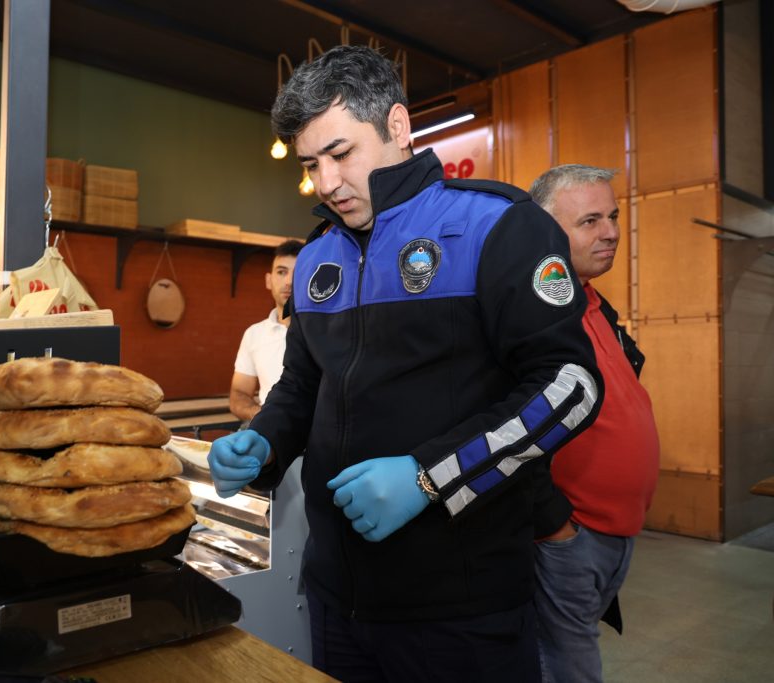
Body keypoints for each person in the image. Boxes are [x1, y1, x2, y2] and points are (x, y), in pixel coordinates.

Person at [207, 45, 603, 682]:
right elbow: (304, 384)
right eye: (310, 164)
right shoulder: (317, 257)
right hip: (337, 595)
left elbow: (570, 386)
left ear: (396, 126)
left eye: (340, 154)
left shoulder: (498, 226)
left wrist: (428, 477)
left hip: (460, 604)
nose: (326, 183)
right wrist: (265, 440)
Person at [529, 164, 660, 683]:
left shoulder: (594, 304)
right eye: (590, 221)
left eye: (613, 216)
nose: (610, 232)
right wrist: (555, 526)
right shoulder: (532, 313)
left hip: (615, 532)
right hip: (569, 535)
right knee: (566, 666)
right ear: (544, 232)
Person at [229, 239, 304, 423]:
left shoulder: (326, 331)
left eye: (298, 272)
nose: (289, 281)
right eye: (281, 272)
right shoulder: (254, 334)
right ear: (268, 280)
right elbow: (239, 394)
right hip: (268, 429)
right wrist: (265, 417)